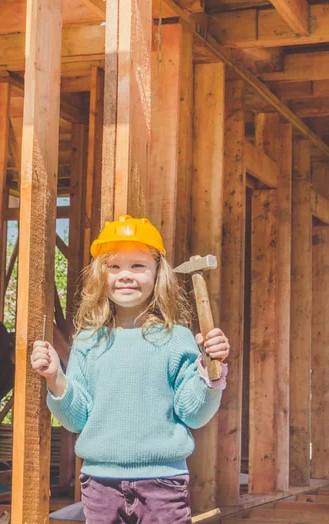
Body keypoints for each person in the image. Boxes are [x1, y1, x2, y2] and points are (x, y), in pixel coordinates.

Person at [31, 215, 229, 523]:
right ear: (101, 275)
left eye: (138, 266)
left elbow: (194, 414)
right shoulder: (87, 341)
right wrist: (55, 378)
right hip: (99, 483)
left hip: (165, 483)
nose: (126, 275)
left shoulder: (177, 338)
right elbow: (76, 419)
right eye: (114, 266)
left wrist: (208, 369)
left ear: (158, 274)